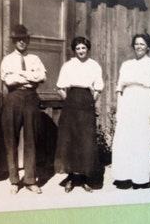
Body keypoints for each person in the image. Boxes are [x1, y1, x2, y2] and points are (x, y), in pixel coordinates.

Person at [111, 33, 150, 189]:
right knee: (125, 142)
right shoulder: (126, 65)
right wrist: (119, 110)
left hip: (145, 105)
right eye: (136, 44)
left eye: (142, 44)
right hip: (127, 106)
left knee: (142, 143)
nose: (139, 46)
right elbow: (119, 88)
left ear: (148, 47)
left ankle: (140, 178)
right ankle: (124, 176)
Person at [54, 36, 105, 193]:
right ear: (74, 50)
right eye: (78, 48)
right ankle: (70, 178)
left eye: (83, 48)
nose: (81, 51)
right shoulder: (68, 66)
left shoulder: (94, 65)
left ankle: (84, 178)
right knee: (70, 140)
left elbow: (98, 88)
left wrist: (90, 101)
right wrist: (69, 100)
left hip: (87, 102)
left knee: (86, 141)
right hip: (71, 102)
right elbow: (60, 87)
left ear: (87, 49)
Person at [0, 24, 46, 195]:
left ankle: (30, 180)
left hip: (32, 98)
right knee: (11, 139)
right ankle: (14, 180)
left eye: (24, 39)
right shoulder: (7, 59)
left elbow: (42, 77)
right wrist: (29, 77)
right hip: (14, 98)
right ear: (14, 42)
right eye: (18, 40)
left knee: (31, 139)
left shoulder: (34, 58)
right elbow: (8, 81)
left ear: (28, 41)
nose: (21, 42)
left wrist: (21, 75)